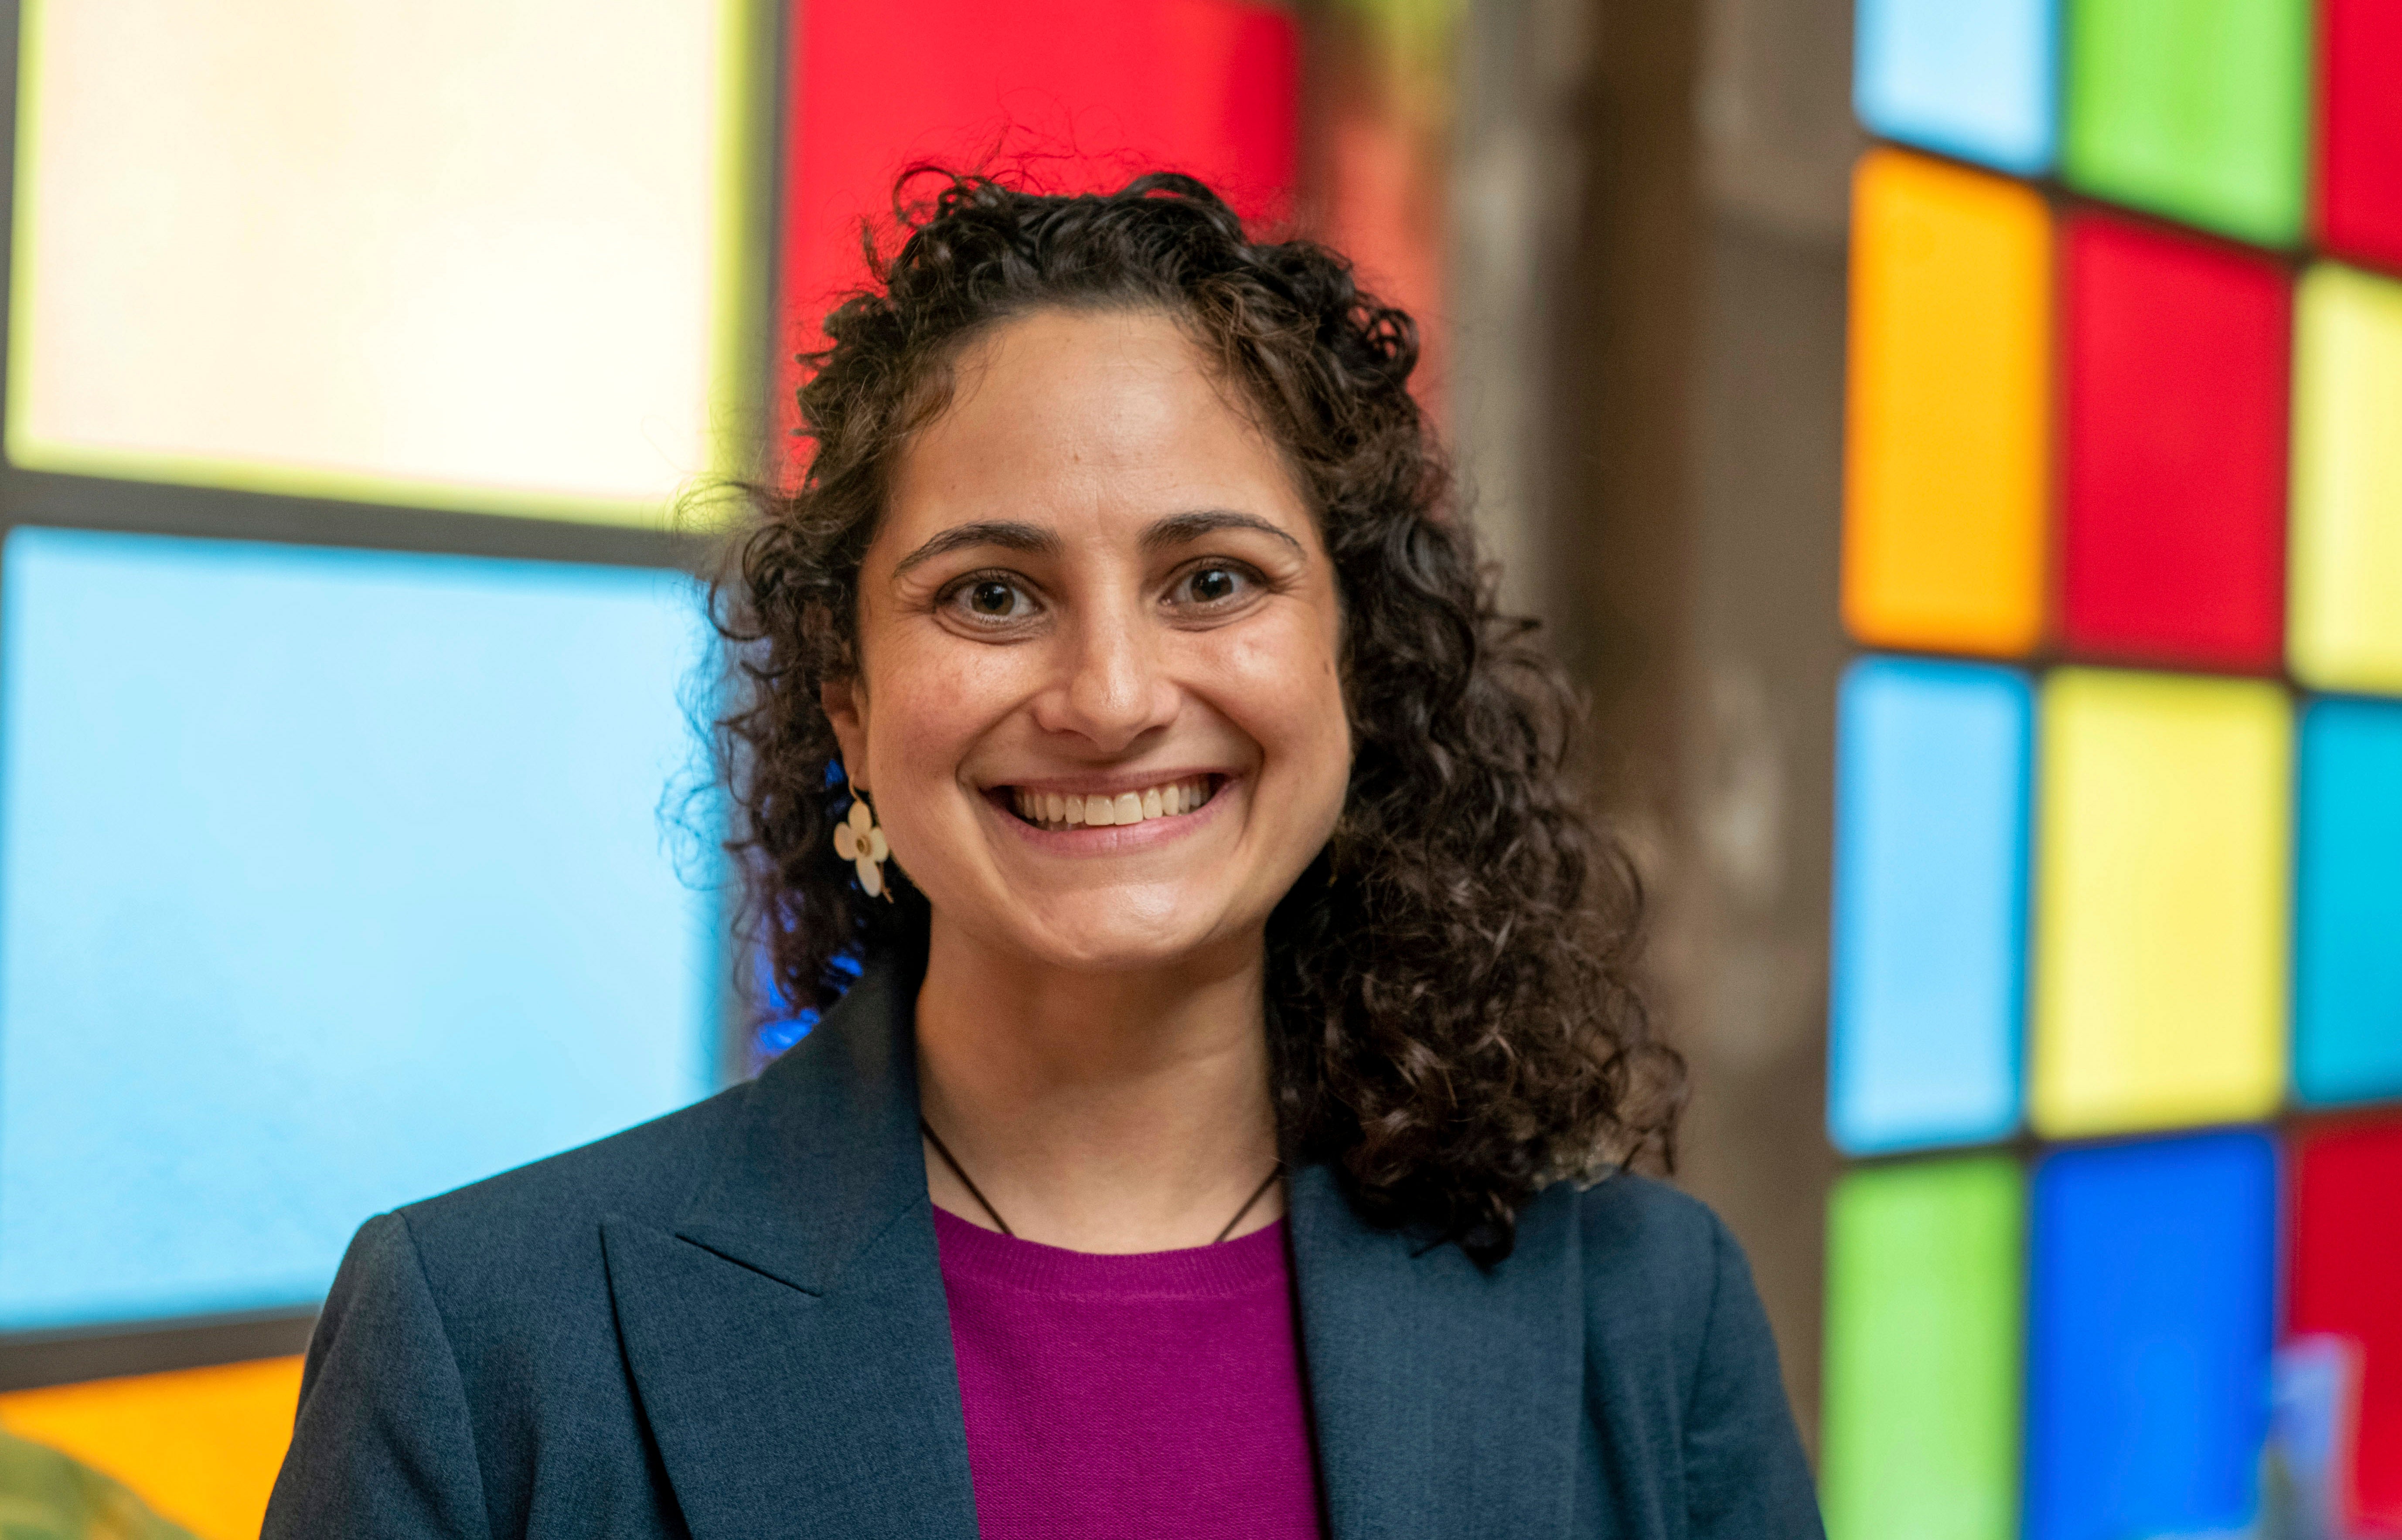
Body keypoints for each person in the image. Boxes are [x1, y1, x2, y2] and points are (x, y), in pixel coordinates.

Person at [265, 171, 1823, 1539]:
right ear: (852, 711)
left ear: (1359, 668)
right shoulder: (486, 1342)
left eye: (1212, 579)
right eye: (992, 596)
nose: (1112, 698)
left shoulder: (1643, 1310)